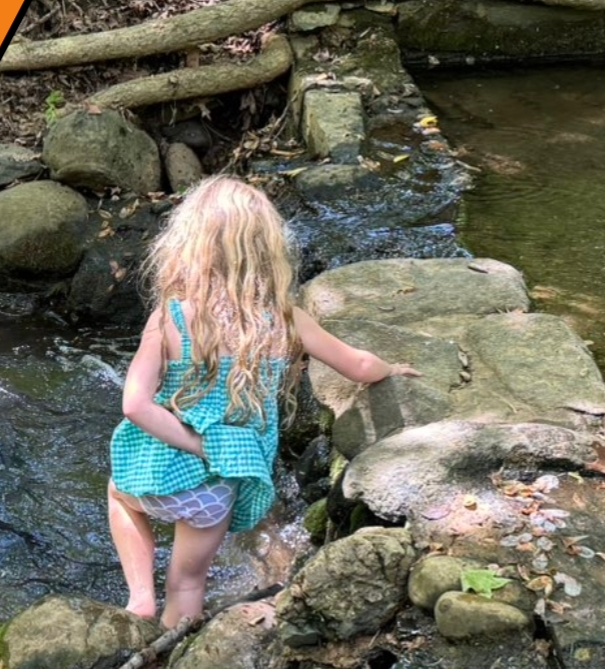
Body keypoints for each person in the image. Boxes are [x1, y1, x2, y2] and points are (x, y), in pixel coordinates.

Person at [107, 175, 413, 626]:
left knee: (118, 494)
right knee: (188, 583)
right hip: (217, 486)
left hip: (154, 473)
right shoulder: (284, 319)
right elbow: (359, 366)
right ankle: (175, 653)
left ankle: (138, 601)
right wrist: (393, 369)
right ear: (267, 249)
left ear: (188, 243)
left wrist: (195, 443)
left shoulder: (169, 314)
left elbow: (134, 405)